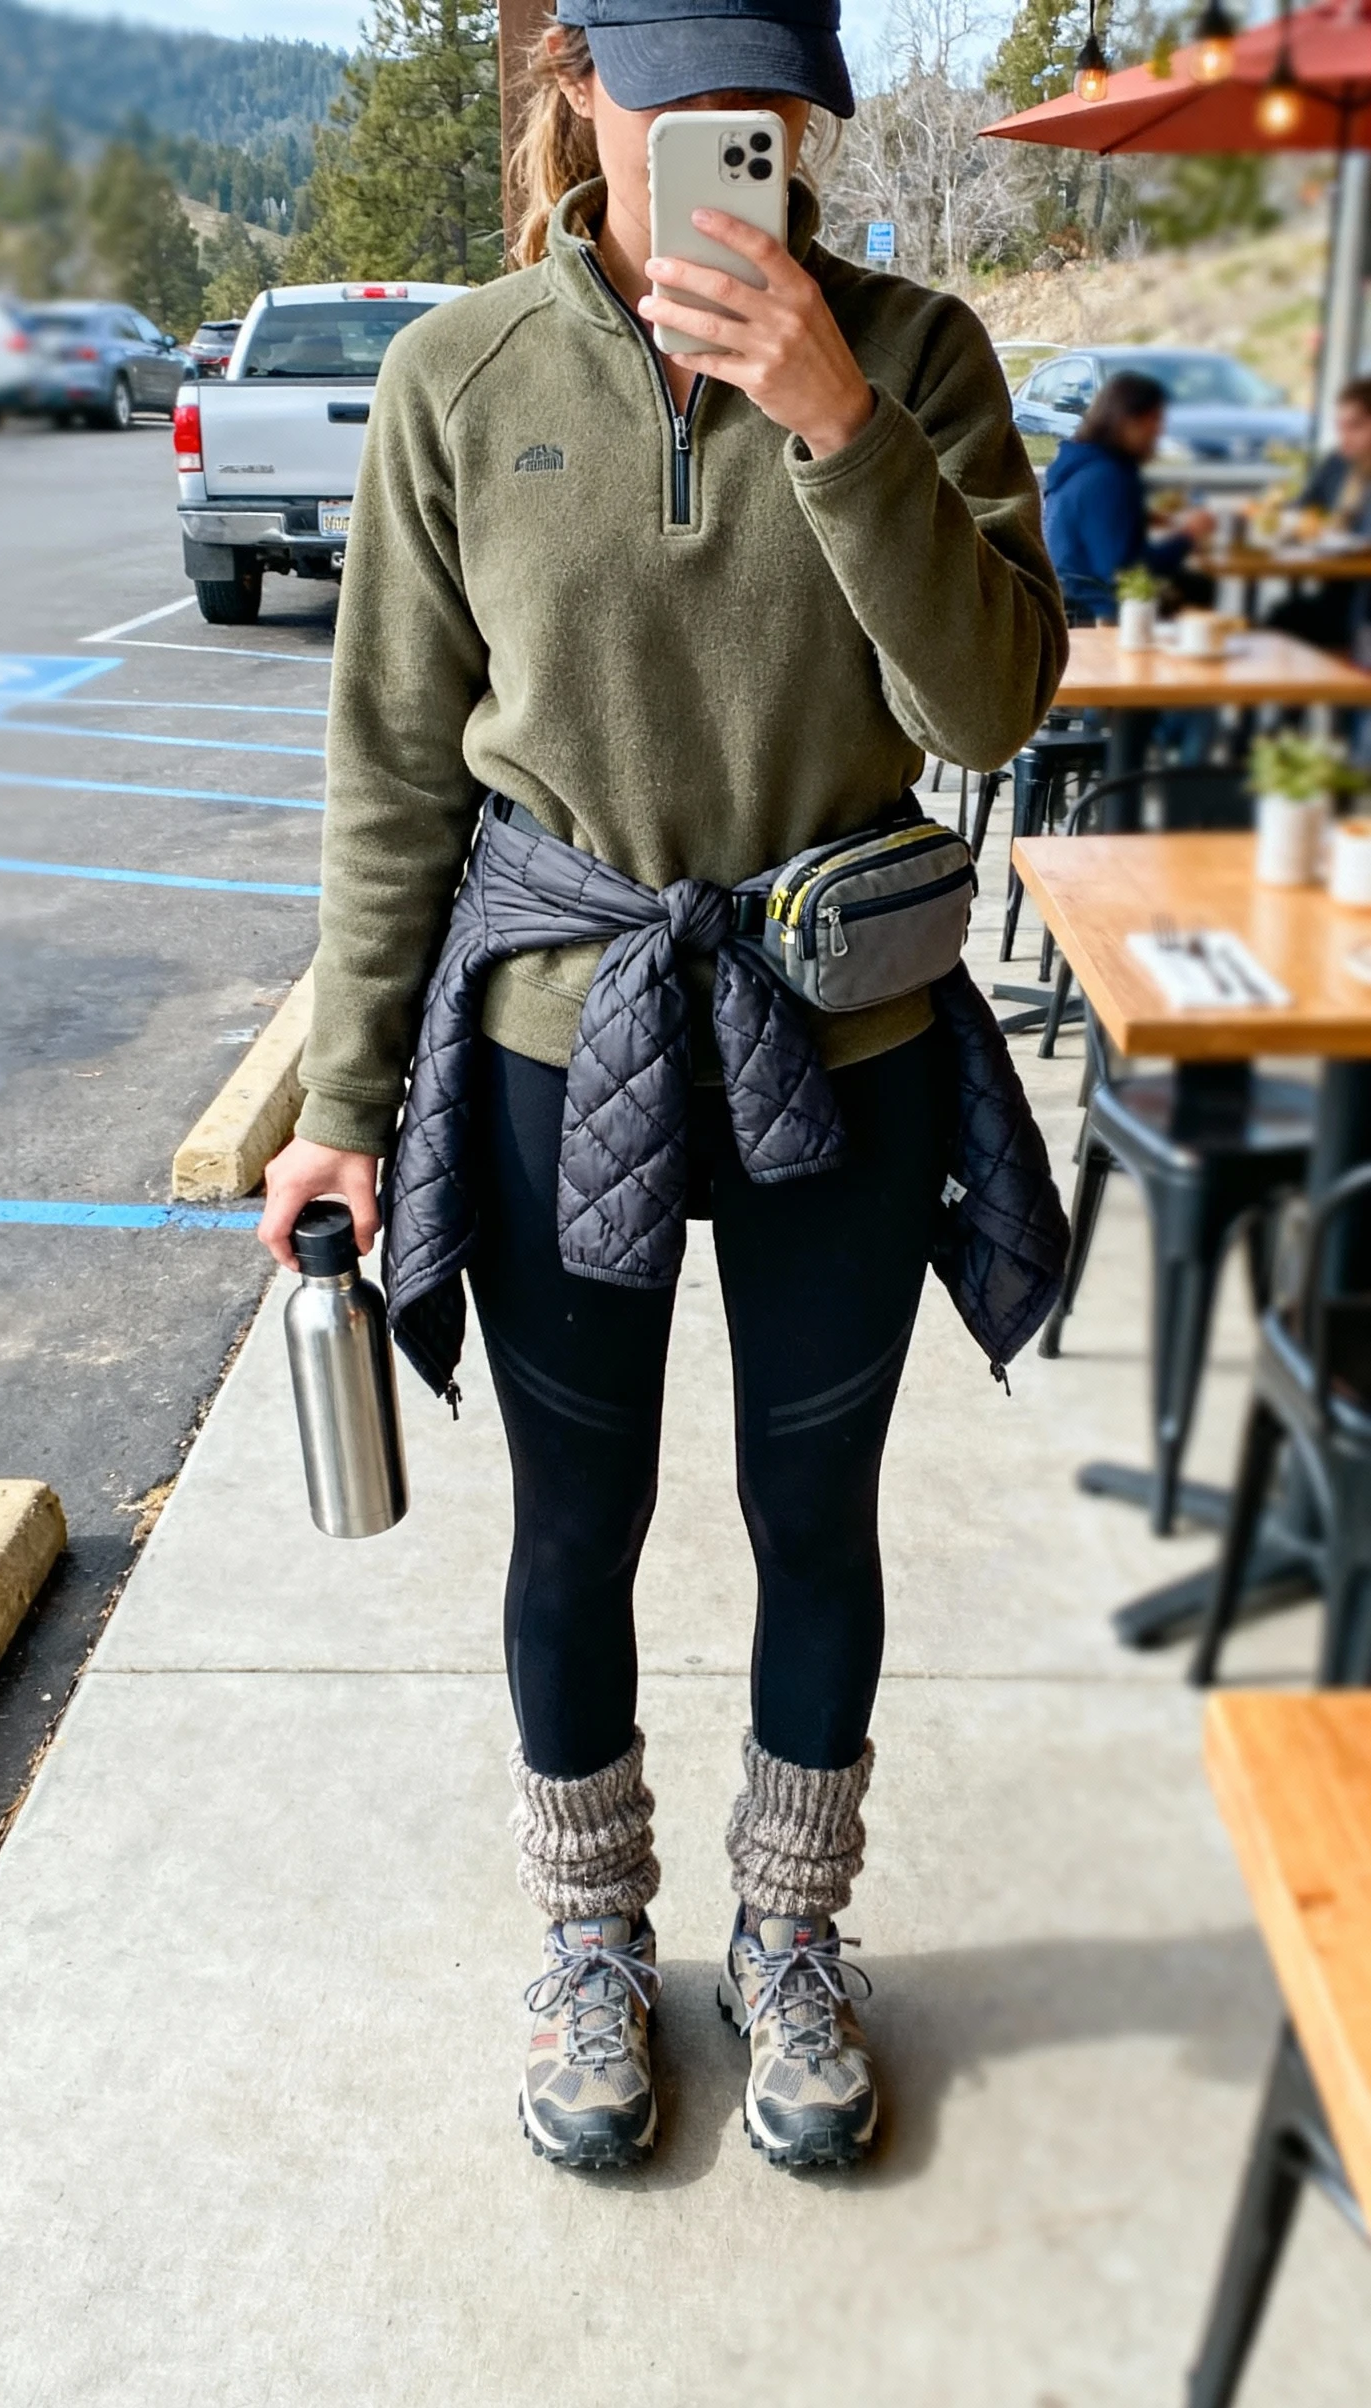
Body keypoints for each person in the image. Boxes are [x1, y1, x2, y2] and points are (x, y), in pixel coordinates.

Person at [259, 0, 1066, 2173]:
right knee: (575, 1522)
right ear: (576, 96)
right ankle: (593, 1932)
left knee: (814, 1513)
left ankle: (793, 1934)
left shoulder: (918, 353)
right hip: (558, 1034)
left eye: (766, 99)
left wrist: (834, 424)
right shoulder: (457, 375)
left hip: (846, 1035)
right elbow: (398, 775)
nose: (727, 134)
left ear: (811, 113)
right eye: (674, 91)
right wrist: (343, 1094)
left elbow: (988, 705)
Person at [1042, 370, 1215, 625]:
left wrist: (1140, 517)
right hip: (1102, 610)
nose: (1158, 431)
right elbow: (1125, 572)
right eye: (1153, 420)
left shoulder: (1083, 464)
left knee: (1195, 584)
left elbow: (1095, 527)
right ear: (1126, 421)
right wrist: (1188, 536)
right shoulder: (1108, 477)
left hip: (1074, 597)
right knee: (1199, 588)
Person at [1267, 376, 1371, 656]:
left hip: (1363, 605)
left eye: (1356, 426)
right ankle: (1291, 698)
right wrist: (1275, 513)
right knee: (1278, 620)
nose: (1344, 436)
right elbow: (1302, 509)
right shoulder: (1337, 463)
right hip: (1335, 593)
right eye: (1341, 426)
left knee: (1284, 622)